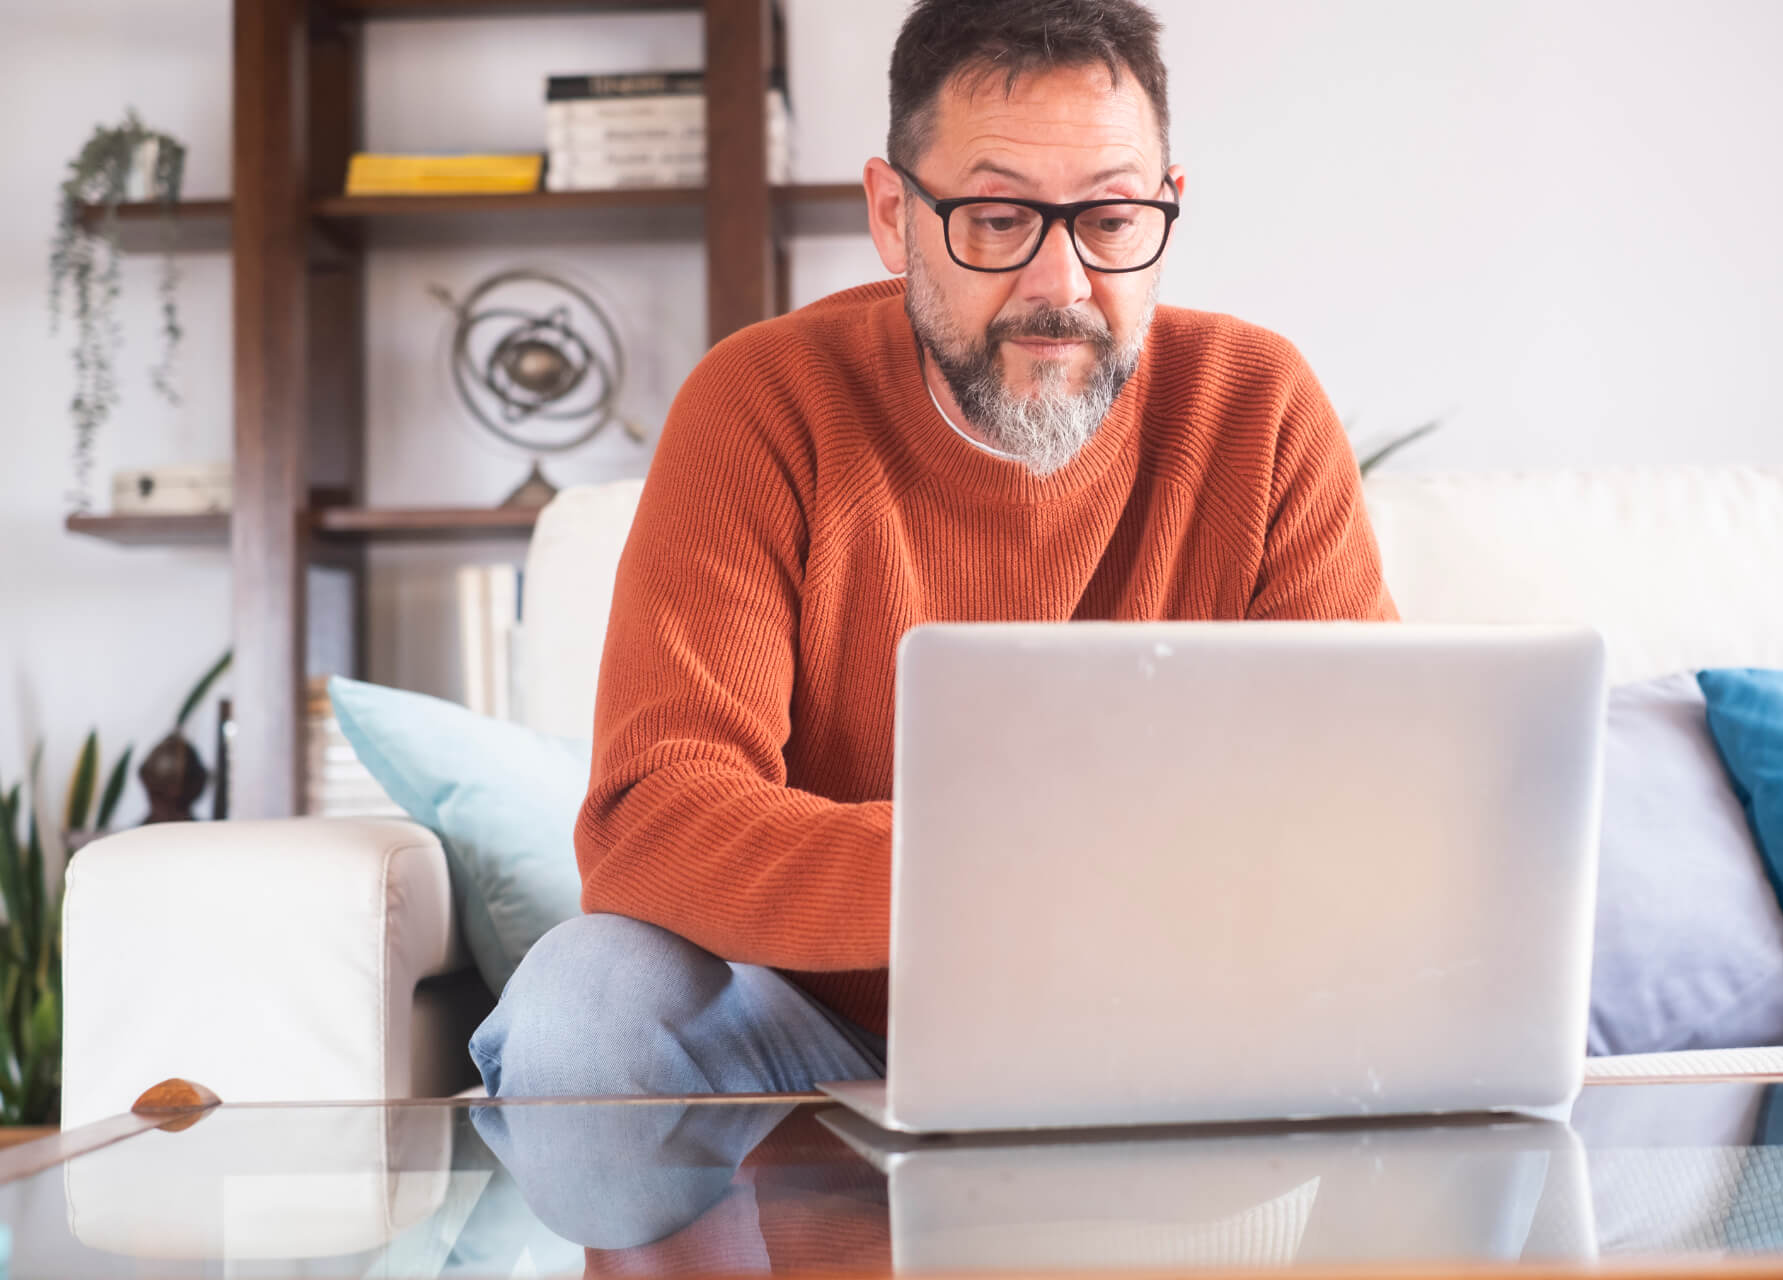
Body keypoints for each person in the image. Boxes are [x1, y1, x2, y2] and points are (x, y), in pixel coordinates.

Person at [472, 0, 1398, 1104]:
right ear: (892, 214)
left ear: (1167, 205)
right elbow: (654, 819)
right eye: (999, 219)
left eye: (1109, 221)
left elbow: (1368, 795)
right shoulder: (764, 403)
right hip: (821, 1045)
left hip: (1176, 1034)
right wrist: (1003, 870)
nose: (1061, 288)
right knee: (589, 996)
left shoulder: (1259, 405)